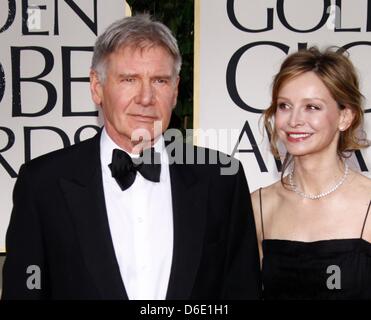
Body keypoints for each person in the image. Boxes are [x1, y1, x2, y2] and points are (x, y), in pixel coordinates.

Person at [2, 14, 261, 300]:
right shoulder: (42, 184)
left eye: (160, 81)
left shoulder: (221, 178)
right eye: (129, 79)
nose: (146, 98)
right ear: (97, 87)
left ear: (175, 91)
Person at [251, 46, 371, 299]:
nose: (294, 120)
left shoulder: (368, 204)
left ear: (345, 117)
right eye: (284, 106)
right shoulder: (259, 206)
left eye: (312, 107)